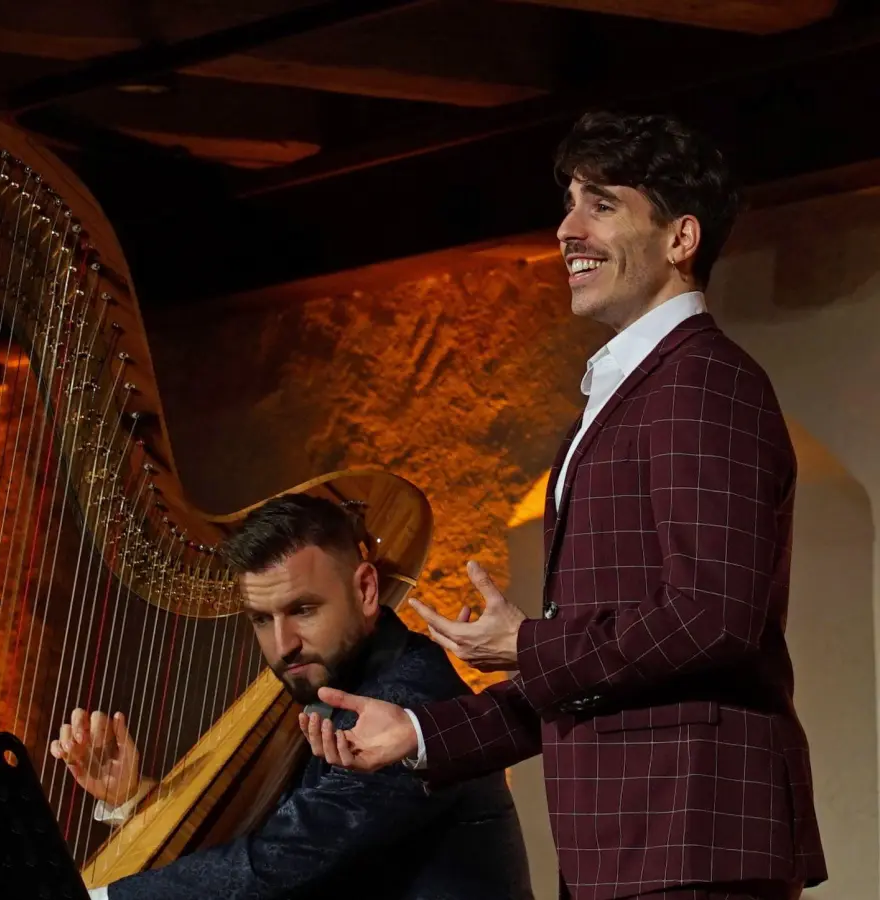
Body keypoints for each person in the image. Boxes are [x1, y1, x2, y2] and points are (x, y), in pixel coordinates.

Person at [303, 111, 827, 900]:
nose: (566, 229)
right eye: (569, 203)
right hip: (630, 846)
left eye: (601, 204)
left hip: (690, 837)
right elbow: (592, 667)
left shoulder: (704, 382)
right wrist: (417, 733)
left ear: (681, 238)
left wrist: (529, 643)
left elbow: (713, 615)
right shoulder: (630, 392)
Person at [52, 493, 532, 900]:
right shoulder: (339, 682)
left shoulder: (410, 701)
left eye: (302, 609)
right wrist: (134, 800)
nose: (283, 646)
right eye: (262, 619)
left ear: (366, 590)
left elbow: (278, 863)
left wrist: (98, 898)